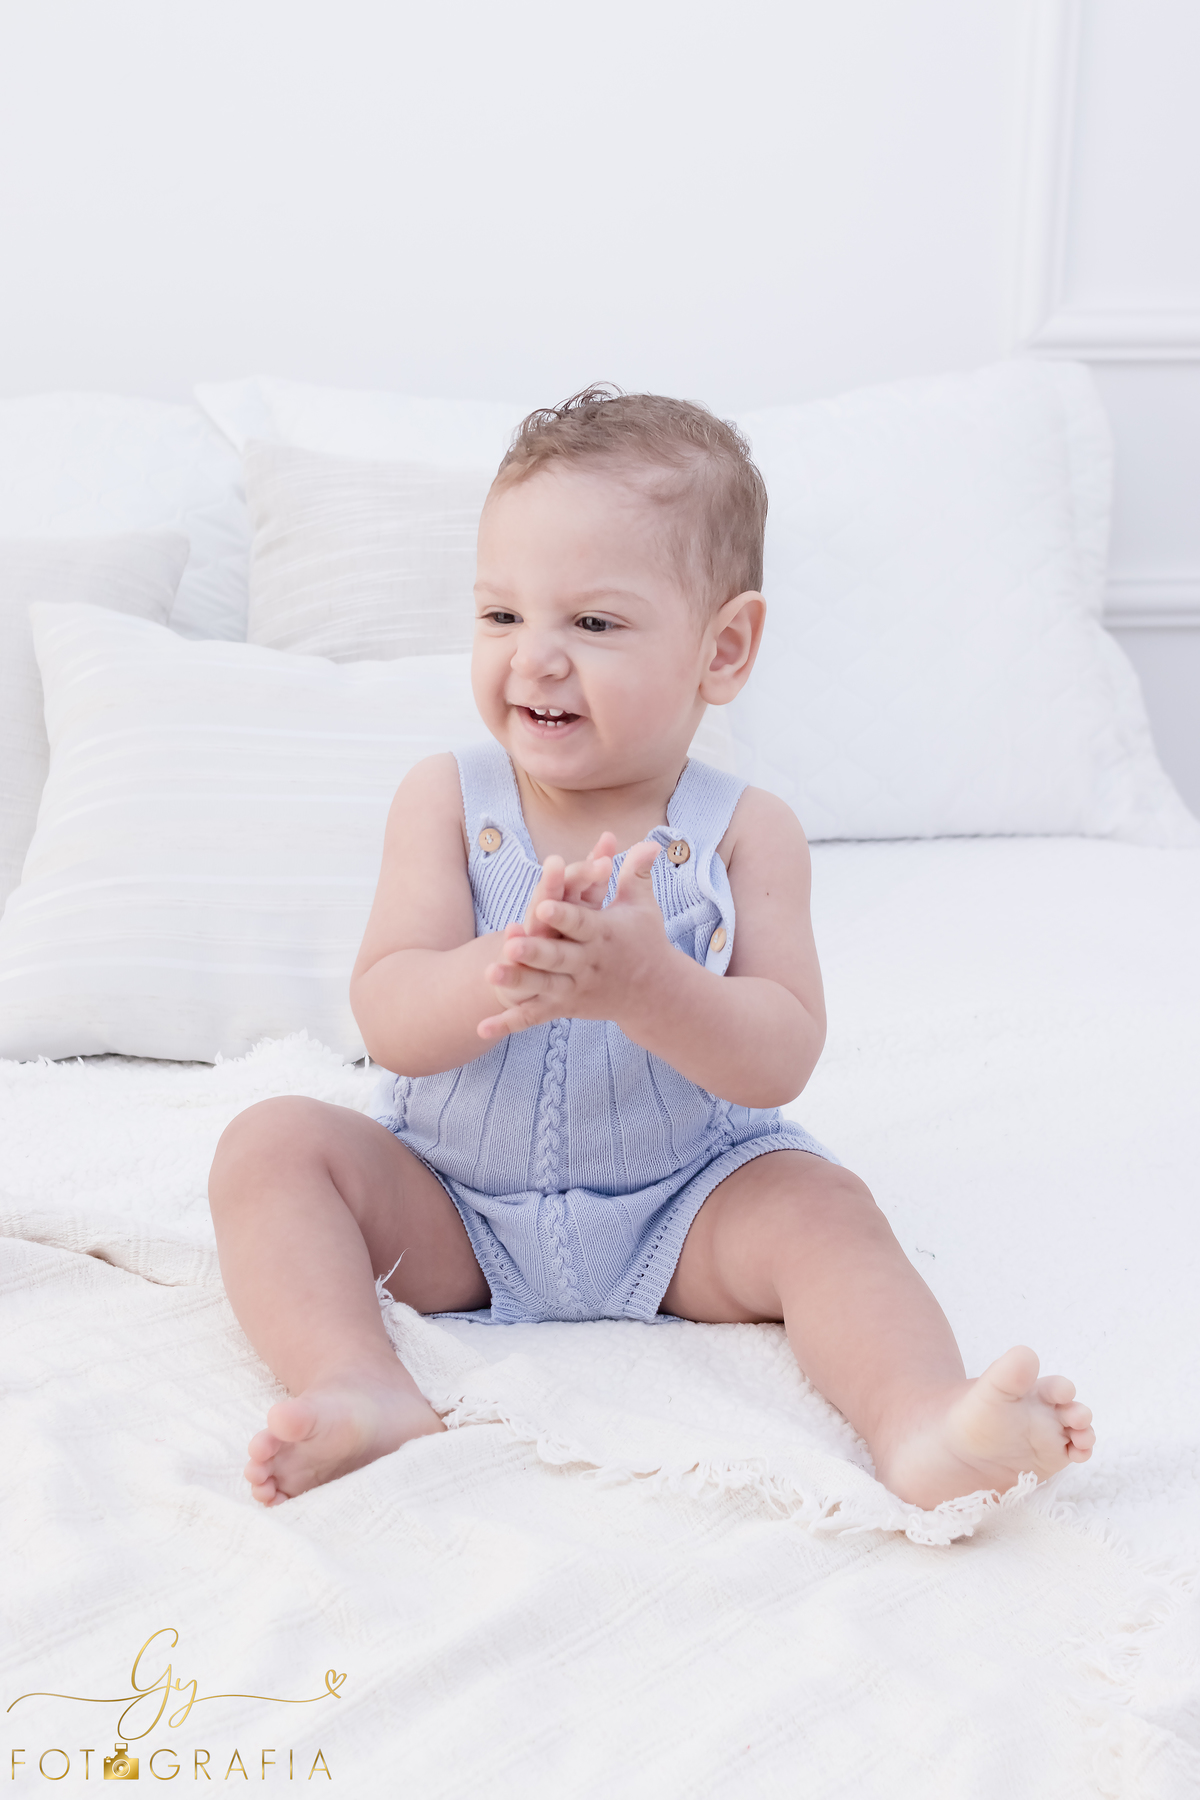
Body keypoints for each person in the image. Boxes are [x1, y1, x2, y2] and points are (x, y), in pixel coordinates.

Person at [208, 387, 1095, 1510]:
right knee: (271, 1147)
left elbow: (779, 1056)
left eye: (592, 624)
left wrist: (649, 985)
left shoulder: (747, 832)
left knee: (825, 1210)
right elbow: (388, 1012)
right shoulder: (445, 800)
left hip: (686, 1206)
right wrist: (503, 972)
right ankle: (360, 1383)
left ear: (723, 648)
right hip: (458, 1208)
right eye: (500, 617)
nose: (534, 659)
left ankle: (921, 1420)